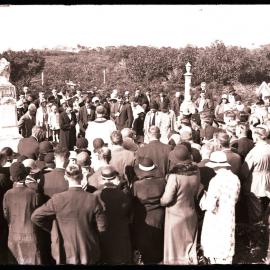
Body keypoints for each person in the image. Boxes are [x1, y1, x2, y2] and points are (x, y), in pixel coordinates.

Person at [31, 163, 107, 265]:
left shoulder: (57, 199)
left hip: (64, 250)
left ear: (66, 177)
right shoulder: (93, 198)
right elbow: (102, 227)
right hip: (88, 248)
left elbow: (36, 216)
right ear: (82, 176)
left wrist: (52, 229)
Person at [160, 145, 200, 264]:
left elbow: (167, 199)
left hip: (175, 216)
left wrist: (160, 200)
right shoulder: (196, 172)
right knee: (188, 247)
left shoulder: (175, 176)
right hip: (191, 212)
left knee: (175, 251)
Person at [200, 151, 240, 264]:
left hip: (216, 217)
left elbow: (210, 205)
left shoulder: (216, 181)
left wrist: (203, 200)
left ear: (216, 166)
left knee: (215, 245)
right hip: (230, 214)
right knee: (227, 242)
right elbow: (235, 198)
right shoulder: (235, 178)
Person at [3, 162, 43, 264]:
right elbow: (37, 215)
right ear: (25, 175)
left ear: (12, 178)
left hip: (13, 236)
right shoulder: (33, 193)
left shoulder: (8, 194)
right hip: (31, 236)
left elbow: (6, 215)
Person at [240, 125, 270, 255]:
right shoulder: (268, 149)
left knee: (254, 216)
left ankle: (256, 244)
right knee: (265, 214)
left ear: (257, 136)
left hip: (255, 186)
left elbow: (244, 173)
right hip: (267, 183)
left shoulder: (254, 152)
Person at [93, 166, 132, 264]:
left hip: (103, 235)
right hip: (121, 234)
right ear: (115, 177)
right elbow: (129, 213)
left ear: (102, 178)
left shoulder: (95, 195)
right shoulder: (124, 194)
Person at [132, 157, 166, 264]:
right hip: (159, 216)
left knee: (144, 243)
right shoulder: (162, 182)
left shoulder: (137, 185)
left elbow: (133, 201)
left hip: (143, 217)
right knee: (158, 241)